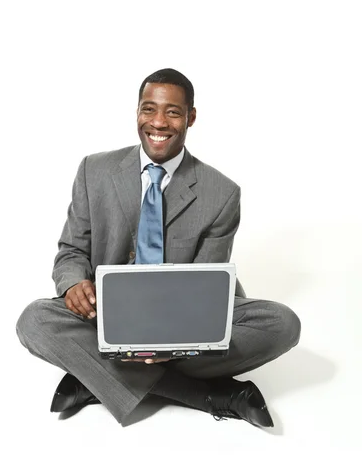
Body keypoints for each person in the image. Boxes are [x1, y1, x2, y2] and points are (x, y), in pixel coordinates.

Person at [16, 68, 301, 428]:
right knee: (34, 320)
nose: (158, 122)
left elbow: (204, 288)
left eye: (172, 112)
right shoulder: (94, 170)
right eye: (148, 109)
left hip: (185, 324)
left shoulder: (222, 193)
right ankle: (209, 394)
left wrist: (162, 342)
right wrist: (73, 284)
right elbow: (71, 251)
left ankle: (95, 377)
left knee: (283, 324)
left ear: (190, 117)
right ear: (137, 112)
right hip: (106, 316)